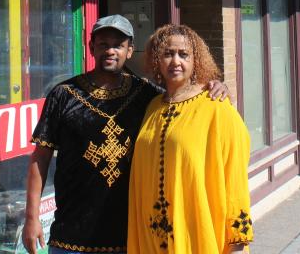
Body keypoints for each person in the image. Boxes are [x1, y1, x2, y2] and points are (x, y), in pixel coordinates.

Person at [23, 15, 227, 254]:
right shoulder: (63, 95)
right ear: (91, 47)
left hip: (131, 237)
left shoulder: (146, 96)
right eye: (103, 44)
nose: (110, 51)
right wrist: (31, 218)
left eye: (118, 45)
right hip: (71, 237)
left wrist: (214, 86)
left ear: (129, 51)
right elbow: (41, 157)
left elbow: (182, 97)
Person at [127, 24, 253, 254]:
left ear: (196, 60)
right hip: (151, 236)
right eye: (168, 54)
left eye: (184, 54)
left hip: (198, 234)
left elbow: (235, 177)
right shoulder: (153, 106)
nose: (176, 61)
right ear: (157, 59)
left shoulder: (216, 106)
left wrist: (238, 239)